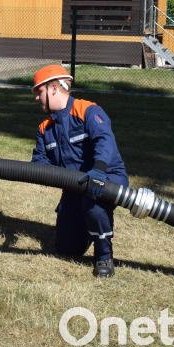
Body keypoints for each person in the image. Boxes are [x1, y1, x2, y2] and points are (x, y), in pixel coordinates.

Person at [29, 64, 128, 278]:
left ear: (53, 88)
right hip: (74, 185)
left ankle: (104, 254)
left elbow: (105, 140)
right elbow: (39, 159)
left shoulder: (87, 110)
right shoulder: (44, 128)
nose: (36, 98)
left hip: (107, 177)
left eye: (39, 91)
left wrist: (99, 170)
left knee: (93, 203)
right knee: (67, 249)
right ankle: (87, 228)